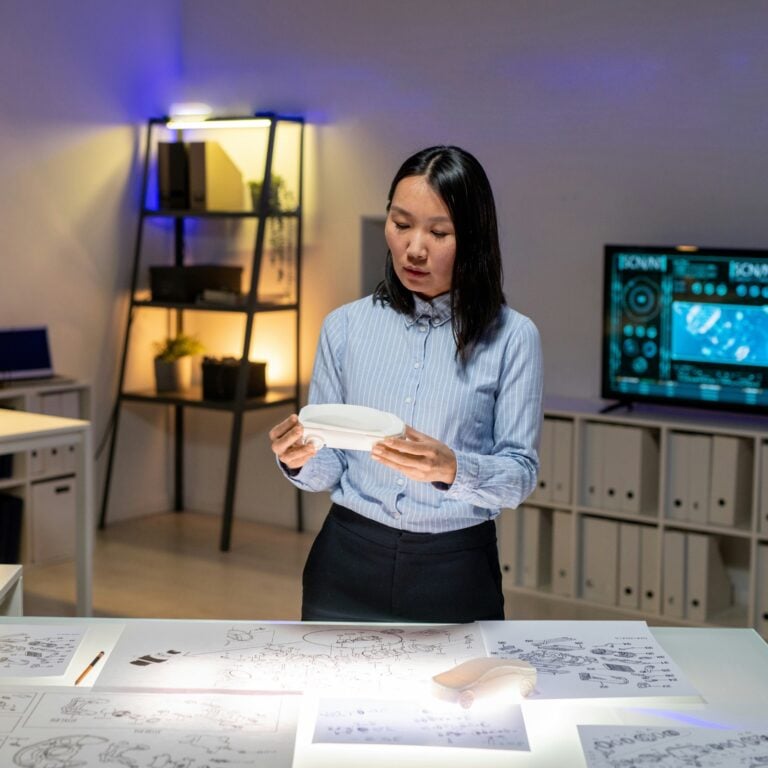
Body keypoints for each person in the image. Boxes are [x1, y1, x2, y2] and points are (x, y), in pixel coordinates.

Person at [269, 145, 543, 623]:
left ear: (474, 238)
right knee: (335, 697)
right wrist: (297, 459)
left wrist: (452, 468)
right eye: (400, 225)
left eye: (439, 232)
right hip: (346, 559)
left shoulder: (513, 337)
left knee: (459, 699)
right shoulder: (345, 326)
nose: (415, 248)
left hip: (455, 569)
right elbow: (329, 469)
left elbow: (518, 475)